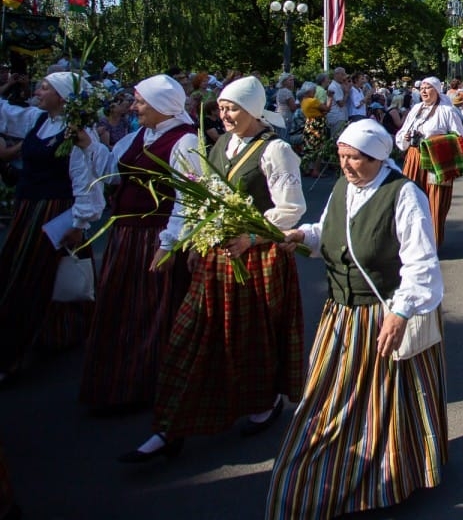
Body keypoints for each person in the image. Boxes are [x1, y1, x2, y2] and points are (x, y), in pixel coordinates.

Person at [120, 77, 306, 462]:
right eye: (221, 108)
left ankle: (263, 401)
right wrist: (194, 239)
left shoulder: (276, 150)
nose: (225, 115)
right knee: (192, 331)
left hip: (255, 253)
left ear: (253, 110)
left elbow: (291, 208)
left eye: (233, 108)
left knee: (252, 335)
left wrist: (252, 237)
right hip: (216, 252)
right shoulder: (220, 143)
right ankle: (168, 426)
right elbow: (202, 194)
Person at [266, 120, 446, 518]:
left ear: (379, 157)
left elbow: (421, 264)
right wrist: (305, 237)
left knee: (387, 402)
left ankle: (392, 471)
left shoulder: (404, 194)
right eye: (342, 157)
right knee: (327, 400)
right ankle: (321, 476)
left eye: (355, 158)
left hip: (381, 314)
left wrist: (400, 314)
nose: (346, 165)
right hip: (340, 316)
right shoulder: (343, 188)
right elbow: (334, 233)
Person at [78, 75, 202, 412]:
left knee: (150, 310)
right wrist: (87, 144)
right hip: (128, 234)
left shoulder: (185, 142)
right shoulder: (141, 135)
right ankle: (116, 381)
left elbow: (188, 197)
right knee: (122, 308)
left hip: (155, 235)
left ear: (162, 106)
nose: (135, 107)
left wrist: (169, 242)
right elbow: (113, 168)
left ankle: (146, 384)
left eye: (141, 102)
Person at [0, 71, 106, 384]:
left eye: (46, 87)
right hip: (29, 208)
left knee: (28, 279)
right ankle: (52, 337)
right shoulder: (37, 120)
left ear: (62, 96)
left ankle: (11, 355)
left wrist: (79, 222)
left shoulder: (75, 131)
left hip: (54, 212)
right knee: (29, 275)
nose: (38, 90)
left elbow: (86, 181)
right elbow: (5, 114)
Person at [394, 76, 463, 249]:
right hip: (414, 157)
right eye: (422, 88)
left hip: (437, 158)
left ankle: (431, 242)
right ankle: (410, 240)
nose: (424, 91)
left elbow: (461, 137)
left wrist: (436, 141)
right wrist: (405, 138)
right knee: (411, 197)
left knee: (436, 199)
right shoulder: (416, 109)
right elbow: (402, 132)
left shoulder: (447, 111)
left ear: (437, 90)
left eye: (428, 88)